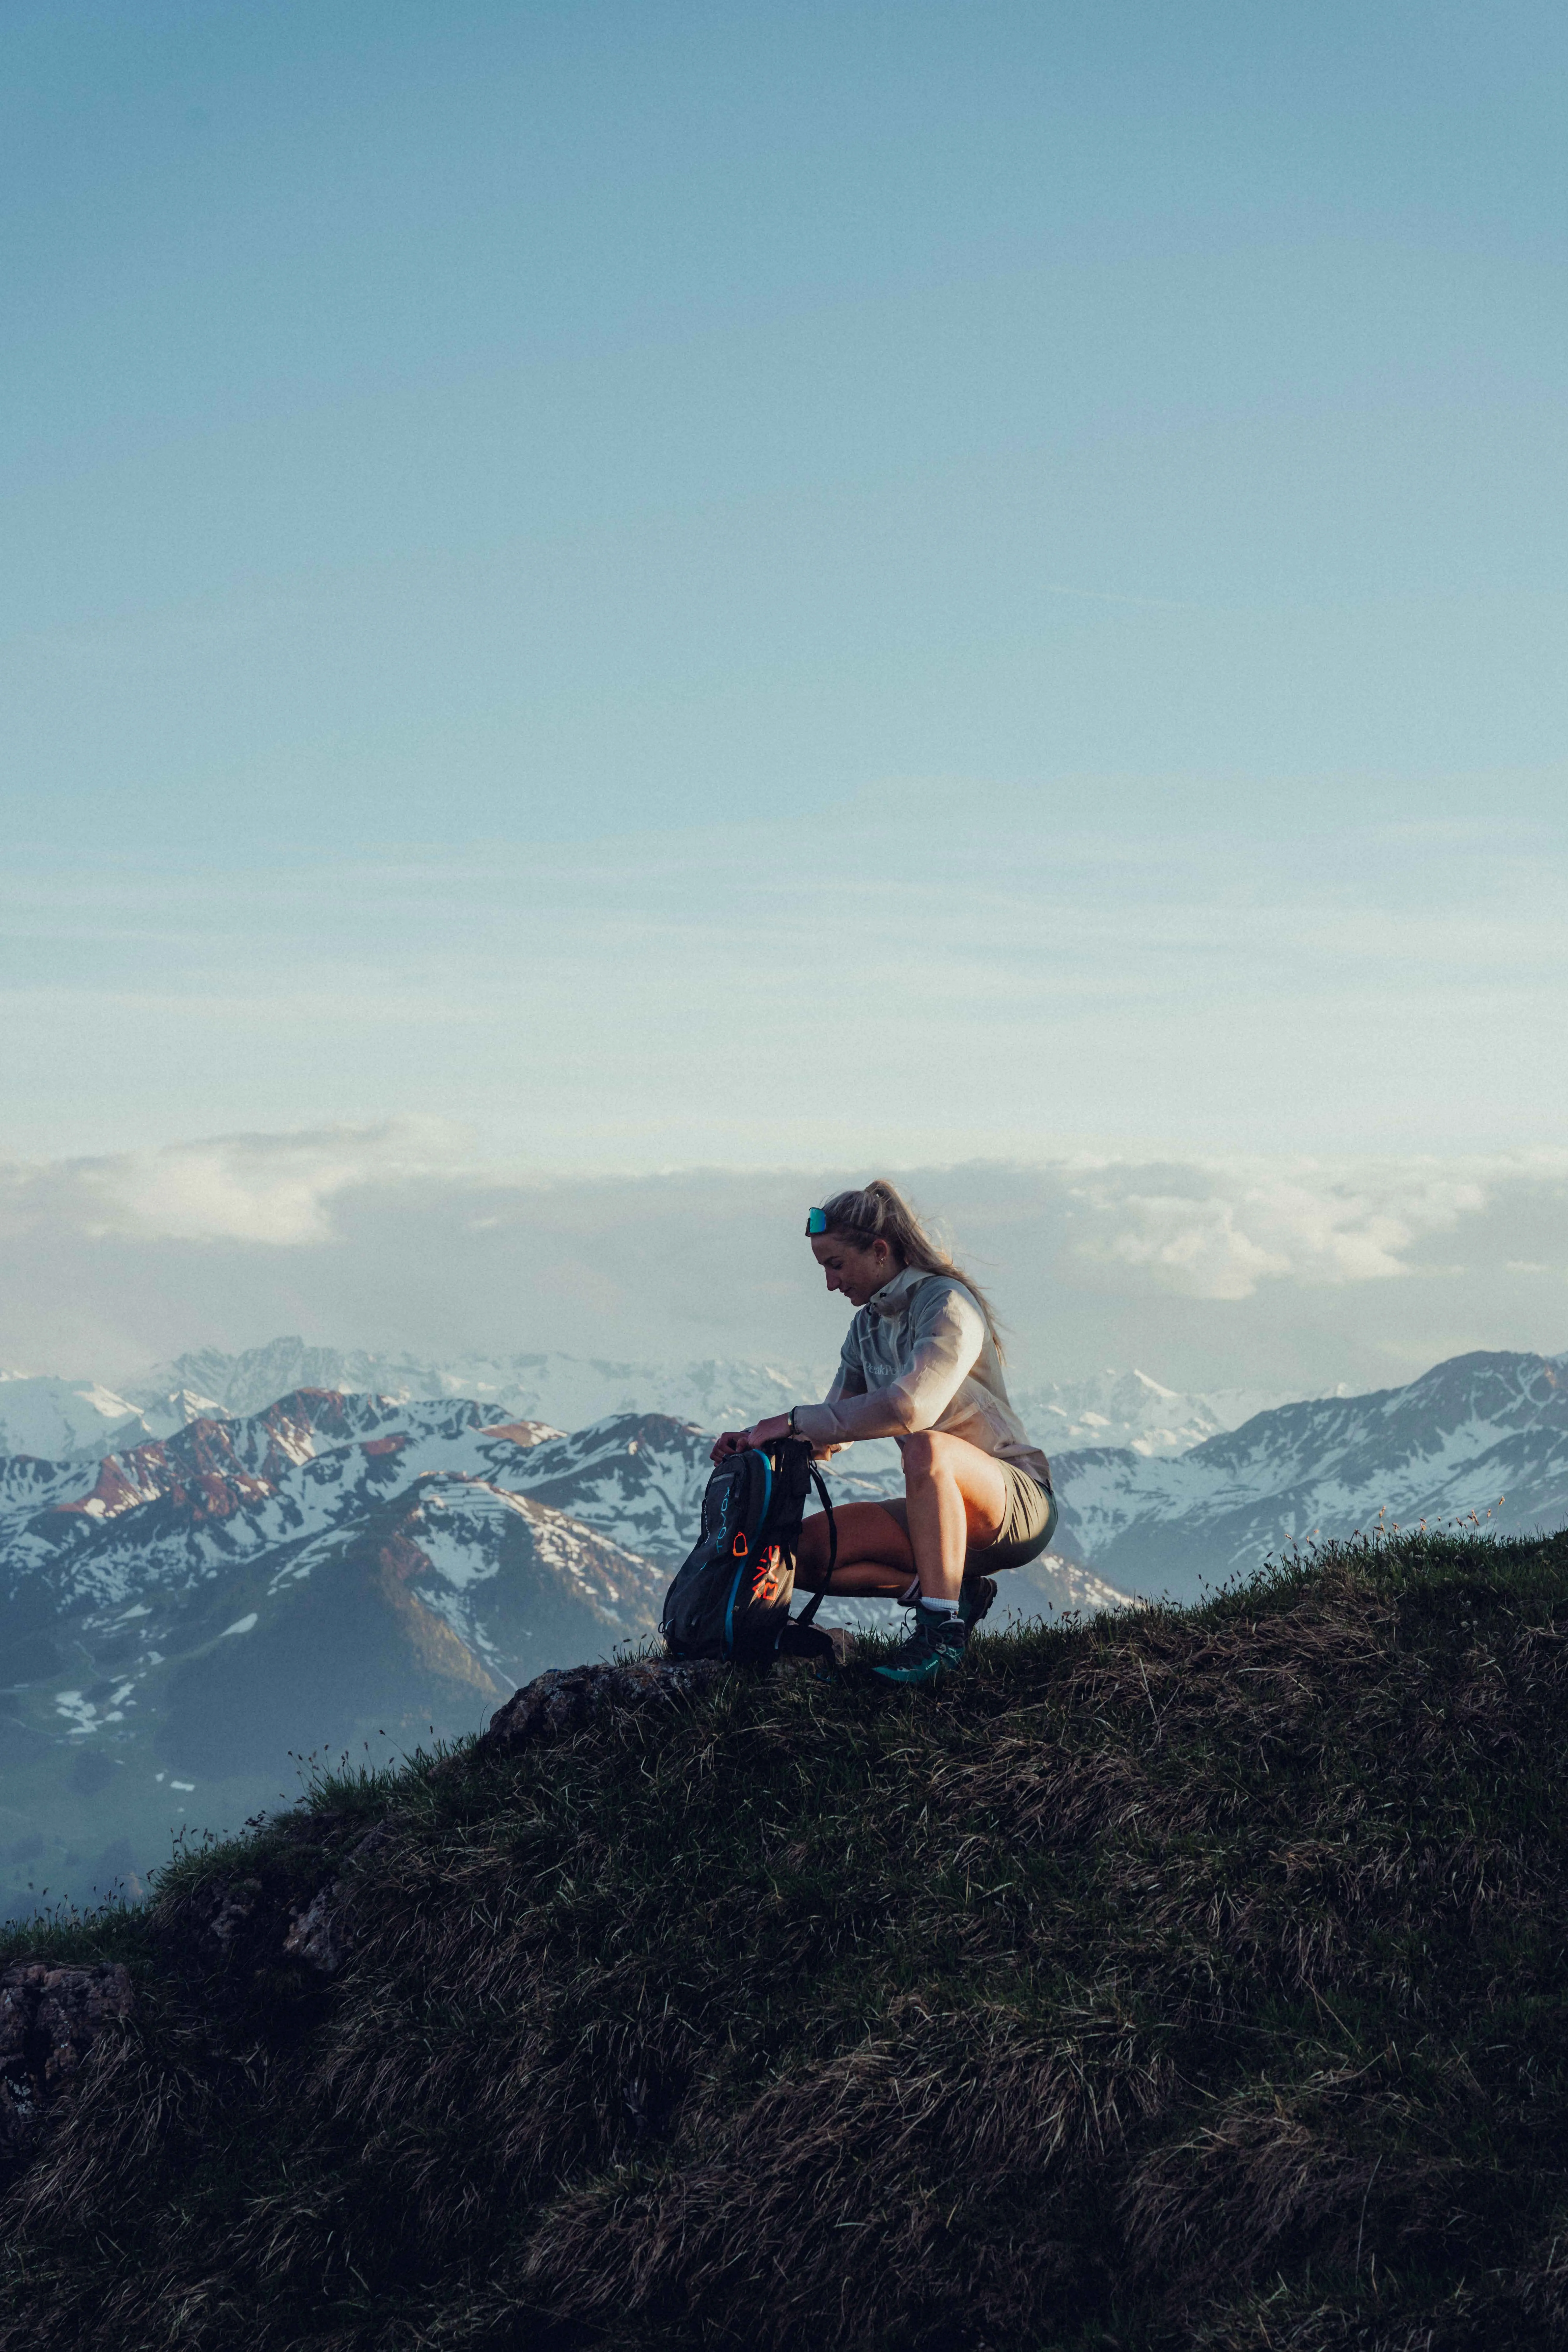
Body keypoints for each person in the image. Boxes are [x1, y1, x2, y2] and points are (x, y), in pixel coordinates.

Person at [711, 1180, 1056, 1685]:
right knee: (795, 1557)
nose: (830, 1283)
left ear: (878, 1251)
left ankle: (939, 1635)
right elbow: (834, 1424)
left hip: (1013, 1505)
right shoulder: (865, 1327)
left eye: (835, 1263)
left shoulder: (945, 1303)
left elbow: (911, 1406)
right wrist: (756, 1440)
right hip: (939, 1513)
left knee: (927, 1446)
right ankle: (957, 1593)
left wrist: (788, 1420)